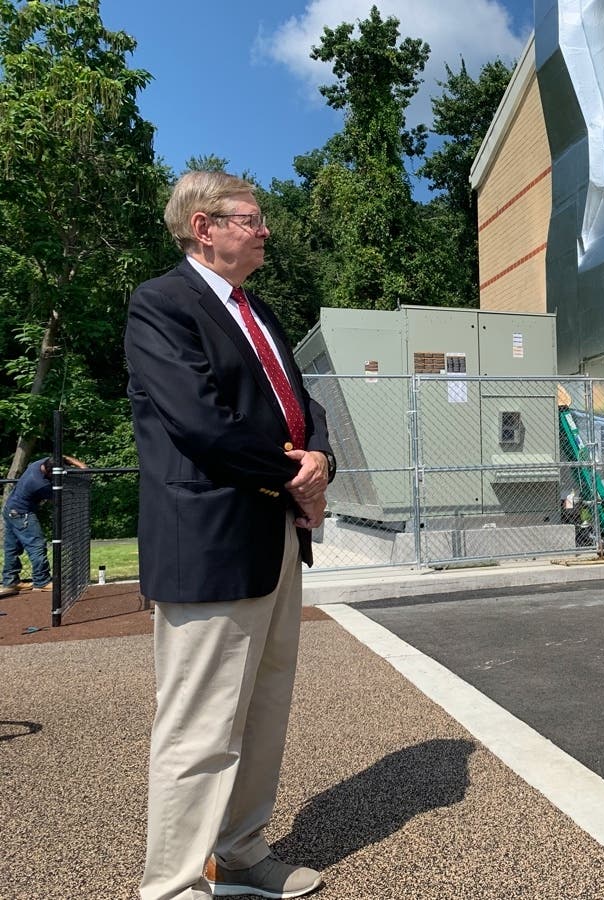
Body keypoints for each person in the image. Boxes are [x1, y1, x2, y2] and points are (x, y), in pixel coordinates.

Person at [125, 170, 336, 900]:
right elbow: (203, 423)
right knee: (200, 725)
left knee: (263, 708)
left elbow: (299, 401)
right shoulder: (162, 304)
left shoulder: (259, 310)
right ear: (204, 226)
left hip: (272, 534)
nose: (265, 229)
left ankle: (241, 852)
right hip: (210, 540)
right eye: (251, 217)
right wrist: (295, 477)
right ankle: (176, 884)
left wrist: (321, 457)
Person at [2, 455, 86, 594]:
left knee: (12, 548)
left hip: (11, 509)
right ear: (49, 472)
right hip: (22, 513)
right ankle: (42, 581)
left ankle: (10, 582)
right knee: (36, 545)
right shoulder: (40, 484)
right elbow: (60, 498)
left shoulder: (40, 462)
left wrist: (82, 466)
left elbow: (63, 456)